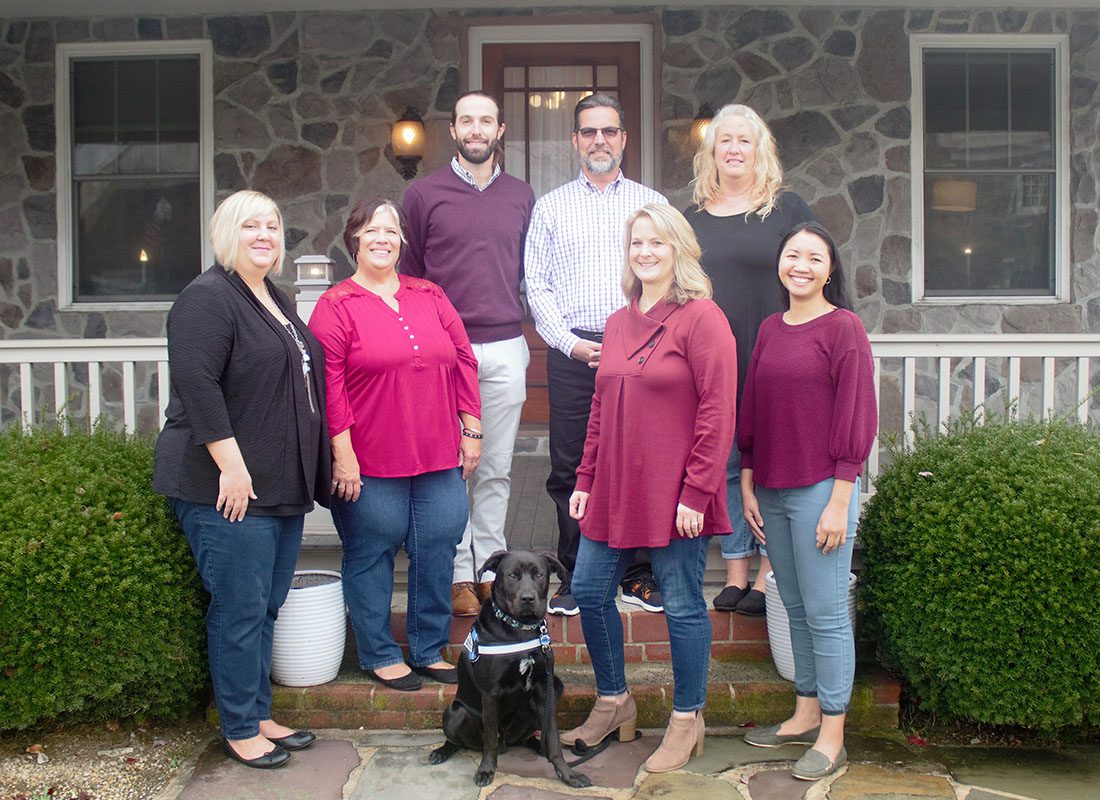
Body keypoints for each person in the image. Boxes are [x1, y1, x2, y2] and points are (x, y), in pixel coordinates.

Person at [153, 189, 328, 769]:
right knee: (240, 607)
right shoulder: (207, 298)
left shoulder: (270, 297)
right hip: (226, 486)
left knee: (267, 605)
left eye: (272, 226)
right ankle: (238, 726)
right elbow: (198, 387)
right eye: (250, 225)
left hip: (278, 486)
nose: (264, 236)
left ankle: (258, 712)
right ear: (225, 234)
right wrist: (230, 466)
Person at [565, 204, 737, 772]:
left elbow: (717, 411)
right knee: (589, 590)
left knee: (683, 603)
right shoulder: (617, 322)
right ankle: (615, 700)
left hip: (676, 491)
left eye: (657, 243)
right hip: (614, 486)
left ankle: (688, 717)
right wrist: (585, 478)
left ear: (679, 250)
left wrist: (697, 491)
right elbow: (599, 408)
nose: (645, 251)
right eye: (637, 242)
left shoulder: (702, 318)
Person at [308, 198, 481, 692]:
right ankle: (379, 652)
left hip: (436, 453)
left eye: (391, 230)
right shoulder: (336, 306)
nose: (382, 238)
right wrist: (343, 456)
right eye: (371, 230)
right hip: (370, 459)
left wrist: (471, 428)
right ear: (354, 241)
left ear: (402, 241)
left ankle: (428, 647)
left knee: (439, 544)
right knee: (372, 549)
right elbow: (330, 386)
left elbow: (464, 361)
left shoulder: (429, 294)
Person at [740, 221, 877, 781]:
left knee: (825, 614)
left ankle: (833, 733)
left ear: (830, 268)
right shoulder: (772, 328)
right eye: (792, 255)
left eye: (814, 257)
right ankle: (802, 712)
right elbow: (753, 404)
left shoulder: (844, 328)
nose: (801, 265)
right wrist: (747, 477)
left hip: (823, 488)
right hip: (770, 486)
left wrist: (841, 498)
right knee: (793, 605)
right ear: (781, 264)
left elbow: (857, 414)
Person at [525, 92, 668, 616]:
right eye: (589, 132)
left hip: (642, 351)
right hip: (573, 353)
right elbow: (535, 285)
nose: (599, 141)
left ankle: (638, 573)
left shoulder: (652, 206)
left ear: (624, 139)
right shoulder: (551, 206)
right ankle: (575, 571)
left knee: (639, 461)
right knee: (569, 466)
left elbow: (671, 279)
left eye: (609, 131)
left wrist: (646, 341)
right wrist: (569, 342)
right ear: (575, 141)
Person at [402, 91, 536, 617]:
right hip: (443, 347)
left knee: (497, 467)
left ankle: (491, 570)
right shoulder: (423, 194)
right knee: (452, 466)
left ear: (500, 130)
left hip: (505, 343)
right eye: (466, 121)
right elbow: (409, 277)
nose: (476, 129)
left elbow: (531, 270)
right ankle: (458, 573)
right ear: (452, 130)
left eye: (486, 120)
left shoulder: (522, 195)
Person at [687, 103, 818, 616]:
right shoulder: (692, 216)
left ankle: (768, 573)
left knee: (769, 465)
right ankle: (736, 569)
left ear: (759, 148)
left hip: (775, 355)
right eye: (725, 141)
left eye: (744, 139)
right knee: (723, 463)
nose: (735, 149)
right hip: (713, 360)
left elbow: (818, 267)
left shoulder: (786, 210)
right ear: (712, 152)